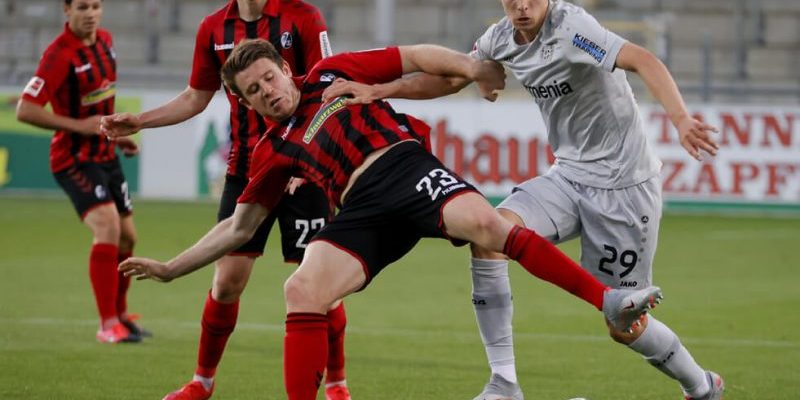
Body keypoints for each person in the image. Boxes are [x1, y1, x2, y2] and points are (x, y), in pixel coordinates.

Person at [117, 38, 663, 400]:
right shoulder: (271, 149)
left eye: (269, 78)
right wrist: (170, 268)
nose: (267, 93)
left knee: (490, 228)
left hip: (403, 167)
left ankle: (607, 299)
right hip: (361, 212)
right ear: (245, 102)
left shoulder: (331, 72)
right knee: (302, 288)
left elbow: (414, 55)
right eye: (253, 92)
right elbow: (239, 228)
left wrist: (471, 67)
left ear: (285, 69)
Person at [321, 1, 724, 399]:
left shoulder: (572, 28)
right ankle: (504, 383)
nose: (522, 6)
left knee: (624, 327)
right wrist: (380, 90)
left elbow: (642, 59)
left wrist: (680, 119)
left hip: (625, 187)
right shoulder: (499, 39)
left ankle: (701, 386)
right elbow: (450, 79)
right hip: (569, 176)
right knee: (490, 235)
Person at [99, 1, 350, 399]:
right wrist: (141, 121)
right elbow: (195, 97)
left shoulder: (302, 16)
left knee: (321, 284)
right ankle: (202, 382)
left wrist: (310, 158)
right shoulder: (213, 27)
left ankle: (337, 385)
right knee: (227, 281)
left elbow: (327, 85)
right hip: (248, 168)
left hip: (305, 168)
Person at [14, 0, 148, 344]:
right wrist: (79, 126)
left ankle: (121, 315)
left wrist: (115, 137)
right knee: (107, 226)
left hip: (105, 154)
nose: (90, 13)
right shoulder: (58, 55)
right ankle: (107, 325)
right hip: (72, 158)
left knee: (128, 237)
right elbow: (25, 109)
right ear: (67, 10)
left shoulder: (106, 41)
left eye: (95, 6)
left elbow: (99, 104)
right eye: (82, 7)